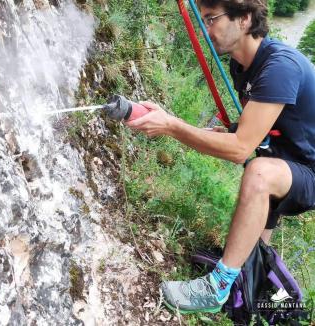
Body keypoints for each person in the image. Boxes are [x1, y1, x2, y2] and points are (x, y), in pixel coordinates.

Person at [126, 0, 315, 315]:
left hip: (305, 171)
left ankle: (216, 289)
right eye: (202, 20)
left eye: (211, 19)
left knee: (258, 173)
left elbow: (242, 149)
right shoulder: (241, 66)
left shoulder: (280, 66)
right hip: (284, 159)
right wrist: (224, 131)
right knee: (253, 256)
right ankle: (258, 296)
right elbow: (253, 128)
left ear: (243, 20)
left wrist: (173, 126)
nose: (206, 29)